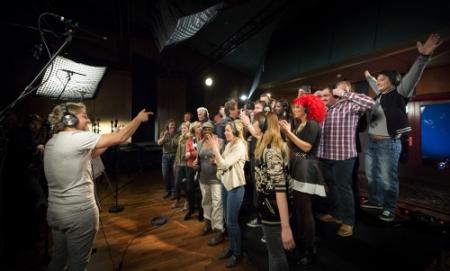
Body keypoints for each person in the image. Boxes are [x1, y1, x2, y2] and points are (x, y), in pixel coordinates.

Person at [44, 102, 152, 271]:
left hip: (56, 213)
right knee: (78, 265)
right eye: (83, 115)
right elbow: (122, 138)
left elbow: (91, 153)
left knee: (58, 260)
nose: (87, 120)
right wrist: (138, 119)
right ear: (70, 119)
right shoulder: (76, 138)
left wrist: (112, 137)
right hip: (78, 214)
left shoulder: (53, 141)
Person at [362, 33, 442, 222]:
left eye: (382, 80)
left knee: (387, 179)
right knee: (372, 177)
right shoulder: (379, 96)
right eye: (378, 80)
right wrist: (368, 77)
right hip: (372, 143)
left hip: (387, 144)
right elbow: (374, 84)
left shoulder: (399, 93)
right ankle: (375, 200)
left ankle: (389, 208)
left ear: (392, 81)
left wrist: (423, 57)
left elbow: (412, 77)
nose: (379, 82)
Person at [316, 84, 375, 237]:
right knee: (332, 186)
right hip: (325, 155)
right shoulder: (323, 110)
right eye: (321, 96)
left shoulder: (350, 106)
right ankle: (336, 214)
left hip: (344, 156)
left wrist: (346, 94)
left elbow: (371, 103)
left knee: (344, 188)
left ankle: (348, 222)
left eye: (326, 95)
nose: (323, 99)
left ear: (336, 95)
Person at [279, 94, 326, 267]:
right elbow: (294, 148)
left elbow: (306, 147)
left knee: (305, 211)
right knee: (300, 210)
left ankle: (310, 250)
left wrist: (289, 133)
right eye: (294, 106)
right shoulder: (300, 125)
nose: (294, 109)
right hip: (298, 167)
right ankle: (305, 242)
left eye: (298, 107)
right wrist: (287, 134)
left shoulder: (313, 124)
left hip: (307, 169)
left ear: (308, 109)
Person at [254, 112, 295, 271]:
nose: (253, 125)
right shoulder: (265, 145)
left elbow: (280, 189)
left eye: (254, 122)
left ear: (263, 125)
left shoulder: (271, 152)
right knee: (273, 253)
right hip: (268, 209)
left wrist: (285, 228)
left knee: (277, 255)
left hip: (274, 212)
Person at [208, 120, 247, 268]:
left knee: (231, 222)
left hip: (236, 187)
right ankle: (231, 248)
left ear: (236, 131)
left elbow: (223, 163)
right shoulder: (230, 144)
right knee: (227, 220)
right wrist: (216, 156)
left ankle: (237, 254)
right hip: (226, 184)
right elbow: (220, 163)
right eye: (225, 131)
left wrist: (215, 148)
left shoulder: (240, 146)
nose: (225, 133)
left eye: (228, 130)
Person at [194, 121, 225, 245]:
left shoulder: (220, 142)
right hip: (203, 178)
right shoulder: (200, 143)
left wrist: (217, 160)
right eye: (205, 129)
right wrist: (196, 165)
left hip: (216, 179)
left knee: (217, 203)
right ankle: (208, 224)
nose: (207, 132)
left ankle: (219, 230)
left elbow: (223, 159)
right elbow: (198, 159)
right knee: (206, 202)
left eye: (209, 129)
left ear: (213, 130)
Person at [157, 119, 178, 199]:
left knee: (173, 174)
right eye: (171, 125)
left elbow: (176, 144)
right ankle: (167, 191)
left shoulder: (177, 134)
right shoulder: (163, 133)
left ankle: (173, 192)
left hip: (174, 156)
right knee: (165, 174)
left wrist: (172, 136)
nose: (172, 126)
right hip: (165, 156)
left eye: (173, 125)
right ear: (168, 126)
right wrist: (164, 137)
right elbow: (159, 143)